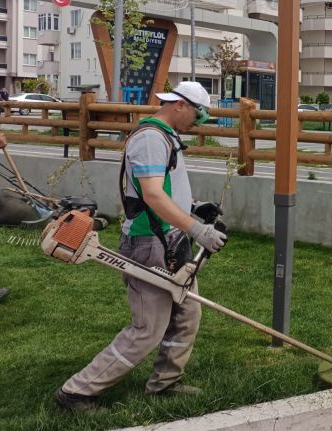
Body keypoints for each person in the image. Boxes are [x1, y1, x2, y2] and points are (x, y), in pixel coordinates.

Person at [54, 82, 227, 412]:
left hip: (169, 239)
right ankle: (76, 392)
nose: (199, 122)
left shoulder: (164, 137)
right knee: (147, 329)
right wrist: (197, 230)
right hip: (149, 244)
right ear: (180, 105)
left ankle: (164, 382)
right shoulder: (150, 139)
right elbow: (151, 195)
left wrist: (193, 206)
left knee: (187, 314)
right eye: (198, 113)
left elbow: (164, 189)